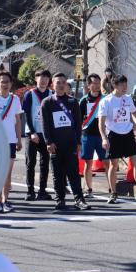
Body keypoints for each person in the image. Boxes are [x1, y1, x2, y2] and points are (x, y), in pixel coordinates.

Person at [41, 73, 91, 211]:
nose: (61, 84)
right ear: (53, 85)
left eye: (63, 82)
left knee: (74, 174)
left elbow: (78, 123)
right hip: (55, 145)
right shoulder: (47, 102)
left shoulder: (72, 102)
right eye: (58, 82)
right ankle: (60, 200)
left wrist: (78, 142)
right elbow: (45, 125)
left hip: (70, 144)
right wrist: (48, 142)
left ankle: (79, 200)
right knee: (57, 175)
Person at [98, 75, 136, 204]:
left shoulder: (127, 99)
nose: (125, 88)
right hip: (114, 135)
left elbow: (133, 112)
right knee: (114, 165)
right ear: (115, 85)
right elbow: (101, 122)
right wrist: (104, 138)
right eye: (122, 85)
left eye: (126, 85)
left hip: (128, 134)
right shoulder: (106, 101)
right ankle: (114, 193)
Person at [0, 71, 23, 213]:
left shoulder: (15, 99)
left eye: (7, 81)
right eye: (2, 81)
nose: (5, 84)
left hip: (11, 140)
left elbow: (17, 121)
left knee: (8, 173)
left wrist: (19, 139)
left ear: (11, 83)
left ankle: (5, 200)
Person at [22, 70, 53, 201]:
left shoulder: (52, 94)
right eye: (41, 77)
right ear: (36, 79)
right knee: (30, 162)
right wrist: (32, 132)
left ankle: (42, 191)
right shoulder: (29, 94)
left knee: (45, 163)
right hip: (32, 134)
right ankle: (30, 191)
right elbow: (27, 115)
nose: (43, 80)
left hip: (46, 135)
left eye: (46, 77)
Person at [79, 73, 111, 198]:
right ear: (89, 85)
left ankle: (111, 188)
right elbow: (78, 119)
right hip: (87, 135)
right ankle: (89, 189)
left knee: (107, 162)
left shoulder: (105, 99)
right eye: (94, 83)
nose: (97, 85)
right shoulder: (83, 101)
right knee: (88, 163)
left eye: (98, 83)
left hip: (102, 135)